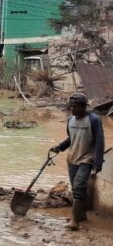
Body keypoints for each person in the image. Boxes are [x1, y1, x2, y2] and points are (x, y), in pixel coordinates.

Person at [51, 93, 106, 230]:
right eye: (71, 106)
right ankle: (81, 215)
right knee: (76, 188)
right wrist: (60, 147)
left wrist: (98, 162)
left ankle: (74, 220)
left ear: (83, 107)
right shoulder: (70, 119)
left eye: (75, 107)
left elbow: (100, 141)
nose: (72, 109)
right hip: (72, 158)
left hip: (87, 159)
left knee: (79, 186)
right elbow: (71, 138)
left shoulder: (93, 119)